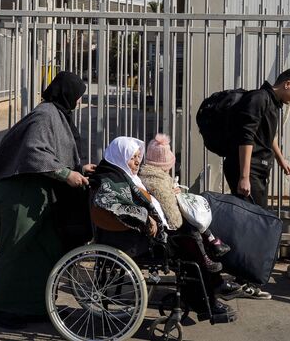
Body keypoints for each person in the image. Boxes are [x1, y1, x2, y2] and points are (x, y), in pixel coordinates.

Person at [0, 71, 94, 330]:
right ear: (67, 95)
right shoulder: (45, 115)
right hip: (21, 194)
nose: (77, 102)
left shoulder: (56, 115)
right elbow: (34, 151)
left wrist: (80, 169)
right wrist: (66, 174)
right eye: (77, 97)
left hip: (37, 195)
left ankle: (35, 307)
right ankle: (4, 309)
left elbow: (53, 152)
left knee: (43, 252)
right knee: (16, 252)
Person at [91, 136, 237, 323]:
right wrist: (146, 217)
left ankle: (206, 296)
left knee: (190, 242)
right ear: (119, 156)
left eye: (138, 157)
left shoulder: (125, 175)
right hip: (134, 239)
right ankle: (207, 301)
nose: (137, 161)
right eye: (132, 157)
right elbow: (113, 205)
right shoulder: (110, 179)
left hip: (143, 233)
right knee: (189, 245)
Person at [222, 68, 290, 300]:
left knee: (253, 223)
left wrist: (281, 159)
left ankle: (244, 279)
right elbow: (246, 137)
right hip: (247, 171)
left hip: (257, 171)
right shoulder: (258, 98)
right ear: (287, 84)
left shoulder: (272, 102)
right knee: (253, 225)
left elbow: (267, 135)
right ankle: (245, 282)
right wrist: (244, 176)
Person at [139, 133, 231, 273]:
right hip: (168, 227)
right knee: (192, 224)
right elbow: (172, 213)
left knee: (192, 217)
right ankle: (206, 255)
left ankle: (213, 242)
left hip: (162, 220)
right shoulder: (158, 181)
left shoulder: (152, 177)